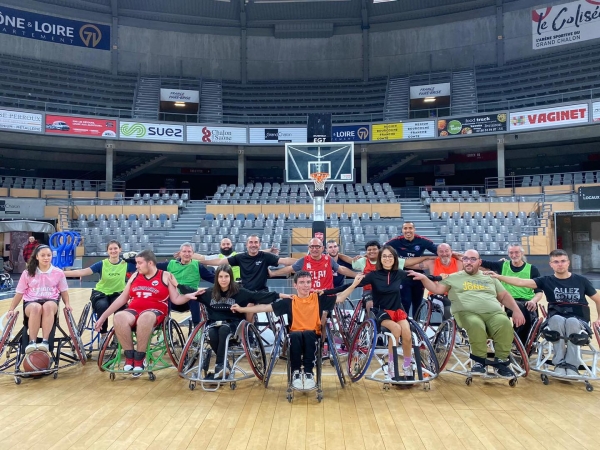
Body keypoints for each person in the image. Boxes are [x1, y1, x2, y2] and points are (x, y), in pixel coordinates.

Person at [232, 271, 364, 389]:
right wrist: (242, 309)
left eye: (308, 282)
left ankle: (308, 373)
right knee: (295, 335)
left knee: (307, 333)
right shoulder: (289, 301)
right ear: (295, 285)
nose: (305, 285)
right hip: (295, 335)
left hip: (313, 335)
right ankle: (295, 372)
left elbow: (340, 298)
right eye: (301, 282)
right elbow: (263, 308)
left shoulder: (318, 298)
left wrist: (353, 284)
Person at [410, 249, 525, 379]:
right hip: (467, 313)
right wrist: (424, 278)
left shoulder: (490, 278)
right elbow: (436, 289)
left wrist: (516, 310)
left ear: (479, 262)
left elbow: (503, 296)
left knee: (504, 322)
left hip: (493, 313)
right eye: (465, 259)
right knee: (476, 324)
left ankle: (501, 363)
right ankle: (479, 361)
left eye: (472, 259)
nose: (468, 262)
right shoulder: (453, 277)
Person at [489, 249, 600, 377]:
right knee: (558, 320)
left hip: (578, 319)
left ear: (568, 263)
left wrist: (599, 318)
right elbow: (520, 281)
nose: (560, 264)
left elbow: (598, 300)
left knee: (571, 321)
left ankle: (571, 364)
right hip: (555, 318)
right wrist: (498, 276)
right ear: (551, 264)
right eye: (556, 262)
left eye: (563, 261)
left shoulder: (581, 280)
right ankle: (560, 363)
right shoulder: (546, 280)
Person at [94, 250, 199, 376]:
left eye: (139, 263)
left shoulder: (166, 276)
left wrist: (189, 296)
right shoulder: (134, 276)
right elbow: (122, 299)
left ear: (150, 263)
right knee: (119, 316)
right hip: (134, 310)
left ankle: (140, 358)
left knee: (145, 317)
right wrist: (103, 317)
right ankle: (129, 357)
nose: (136, 266)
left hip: (156, 311)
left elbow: (176, 299)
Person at [190, 265, 281, 377]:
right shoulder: (209, 293)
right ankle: (224, 365)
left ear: (231, 277)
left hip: (234, 325)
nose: (223, 279)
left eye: (226, 276)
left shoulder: (239, 292)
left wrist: (280, 295)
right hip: (214, 324)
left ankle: (220, 365)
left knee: (223, 329)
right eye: (221, 276)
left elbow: (258, 296)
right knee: (212, 333)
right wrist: (176, 285)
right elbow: (189, 292)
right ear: (216, 278)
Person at [64, 240, 136, 342]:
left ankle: (118, 334)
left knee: (121, 308)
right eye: (110, 249)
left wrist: (135, 258)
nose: (113, 251)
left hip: (118, 293)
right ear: (107, 251)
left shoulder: (126, 264)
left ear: (120, 250)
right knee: (102, 306)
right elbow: (83, 271)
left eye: (115, 248)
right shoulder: (102, 264)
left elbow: (142, 266)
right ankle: (103, 335)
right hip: (101, 293)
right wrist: (61, 273)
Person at [7, 245, 71, 354]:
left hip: (51, 301)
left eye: (48, 255)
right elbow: (19, 293)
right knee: (36, 307)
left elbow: (64, 291)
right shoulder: (27, 273)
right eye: (43, 255)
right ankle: (32, 342)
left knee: (48, 306)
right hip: (31, 303)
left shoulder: (58, 272)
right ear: (37, 257)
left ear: (52, 256)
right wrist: (11, 308)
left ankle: (45, 342)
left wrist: (67, 304)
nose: (46, 258)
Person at [480, 243, 543, 345]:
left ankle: (523, 342)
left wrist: (533, 301)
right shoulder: (502, 265)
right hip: (509, 300)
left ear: (522, 253)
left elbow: (539, 292)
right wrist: (457, 255)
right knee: (522, 309)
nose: (514, 255)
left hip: (528, 301)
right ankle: (519, 343)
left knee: (528, 309)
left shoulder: (532, 269)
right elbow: (480, 262)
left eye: (516, 252)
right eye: (511, 253)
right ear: (508, 254)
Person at [155, 242, 215, 329]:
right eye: (184, 251)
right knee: (161, 296)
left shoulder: (198, 266)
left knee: (194, 296)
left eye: (189, 252)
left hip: (189, 299)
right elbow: (151, 265)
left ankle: (196, 327)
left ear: (193, 253)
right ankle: (165, 326)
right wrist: (132, 260)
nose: (187, 254)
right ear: (180, 253)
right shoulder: (170, 264)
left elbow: (212, 278)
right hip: (173, 299)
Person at [386, 222, 438, 316]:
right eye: (405, 228)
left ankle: (416, 325)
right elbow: (381, 251)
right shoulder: (396, 241)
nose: (408, 230)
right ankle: (404, 324)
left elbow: (440, 251)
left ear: (414, 229)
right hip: (402, 274)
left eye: (410, 228)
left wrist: (456, 255)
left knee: (417, 303)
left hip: (418, 275)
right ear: (402, 230)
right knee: (405, 302)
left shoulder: (422, 241)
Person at [269, 238, 357, 290]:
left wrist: (356, 275)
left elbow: (342, 269)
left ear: (322, 248)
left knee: (324, 315)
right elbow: (289, 268)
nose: (315, 249)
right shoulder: (304, 260)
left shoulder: (328, 259)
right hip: (309, 295)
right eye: (312, 247)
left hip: (326, 295)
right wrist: (273, 273)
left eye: (317, 247)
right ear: (309, 248)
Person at [410, 243, 463, 321]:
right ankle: (447, 330)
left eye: (447, 251)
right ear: (437, 253)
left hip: (454, 294)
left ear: (451, 252)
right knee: (447, 303)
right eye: (441, 251)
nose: (444, 254)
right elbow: (411, 265)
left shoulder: (459, 263)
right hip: (436, 294)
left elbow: (475, 262)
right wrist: (398, 263)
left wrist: (459, 255)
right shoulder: (432, 263)